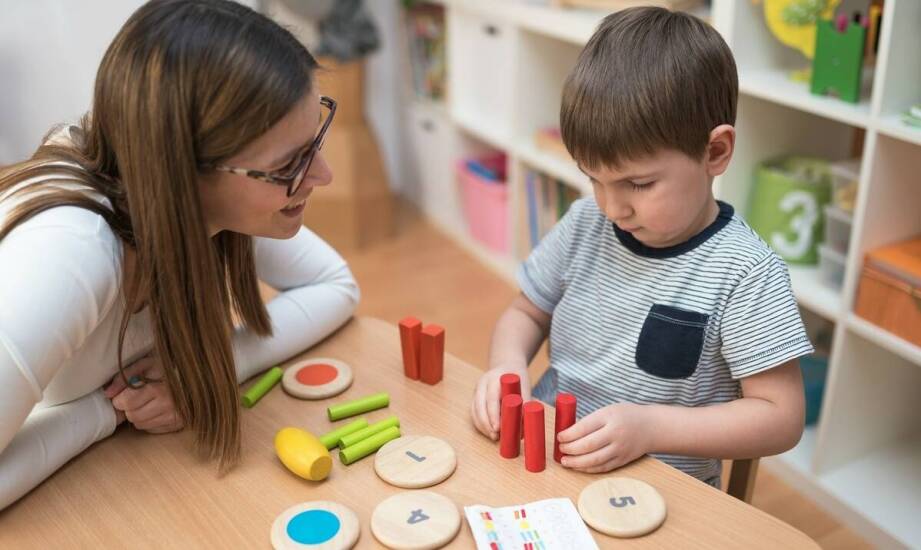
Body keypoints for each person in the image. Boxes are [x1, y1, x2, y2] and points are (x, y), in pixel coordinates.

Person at [0, 0, 359, 510]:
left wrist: (202, 371)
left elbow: (336, 286)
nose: (323, 175)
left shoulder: (203, 200)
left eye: (314, 140)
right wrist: (109, 412)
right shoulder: (70, 254)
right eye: (291, 162)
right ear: (186, 171)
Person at [471, 7, 811, 487]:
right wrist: (506, 370)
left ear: (715, 152)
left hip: (659, 491)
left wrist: (650, 428)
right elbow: (526, 312)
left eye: (638, 183)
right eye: (594, 179)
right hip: (547, 459)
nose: (612, 208)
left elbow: (781, 417)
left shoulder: (745, 273)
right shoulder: (585, 222)